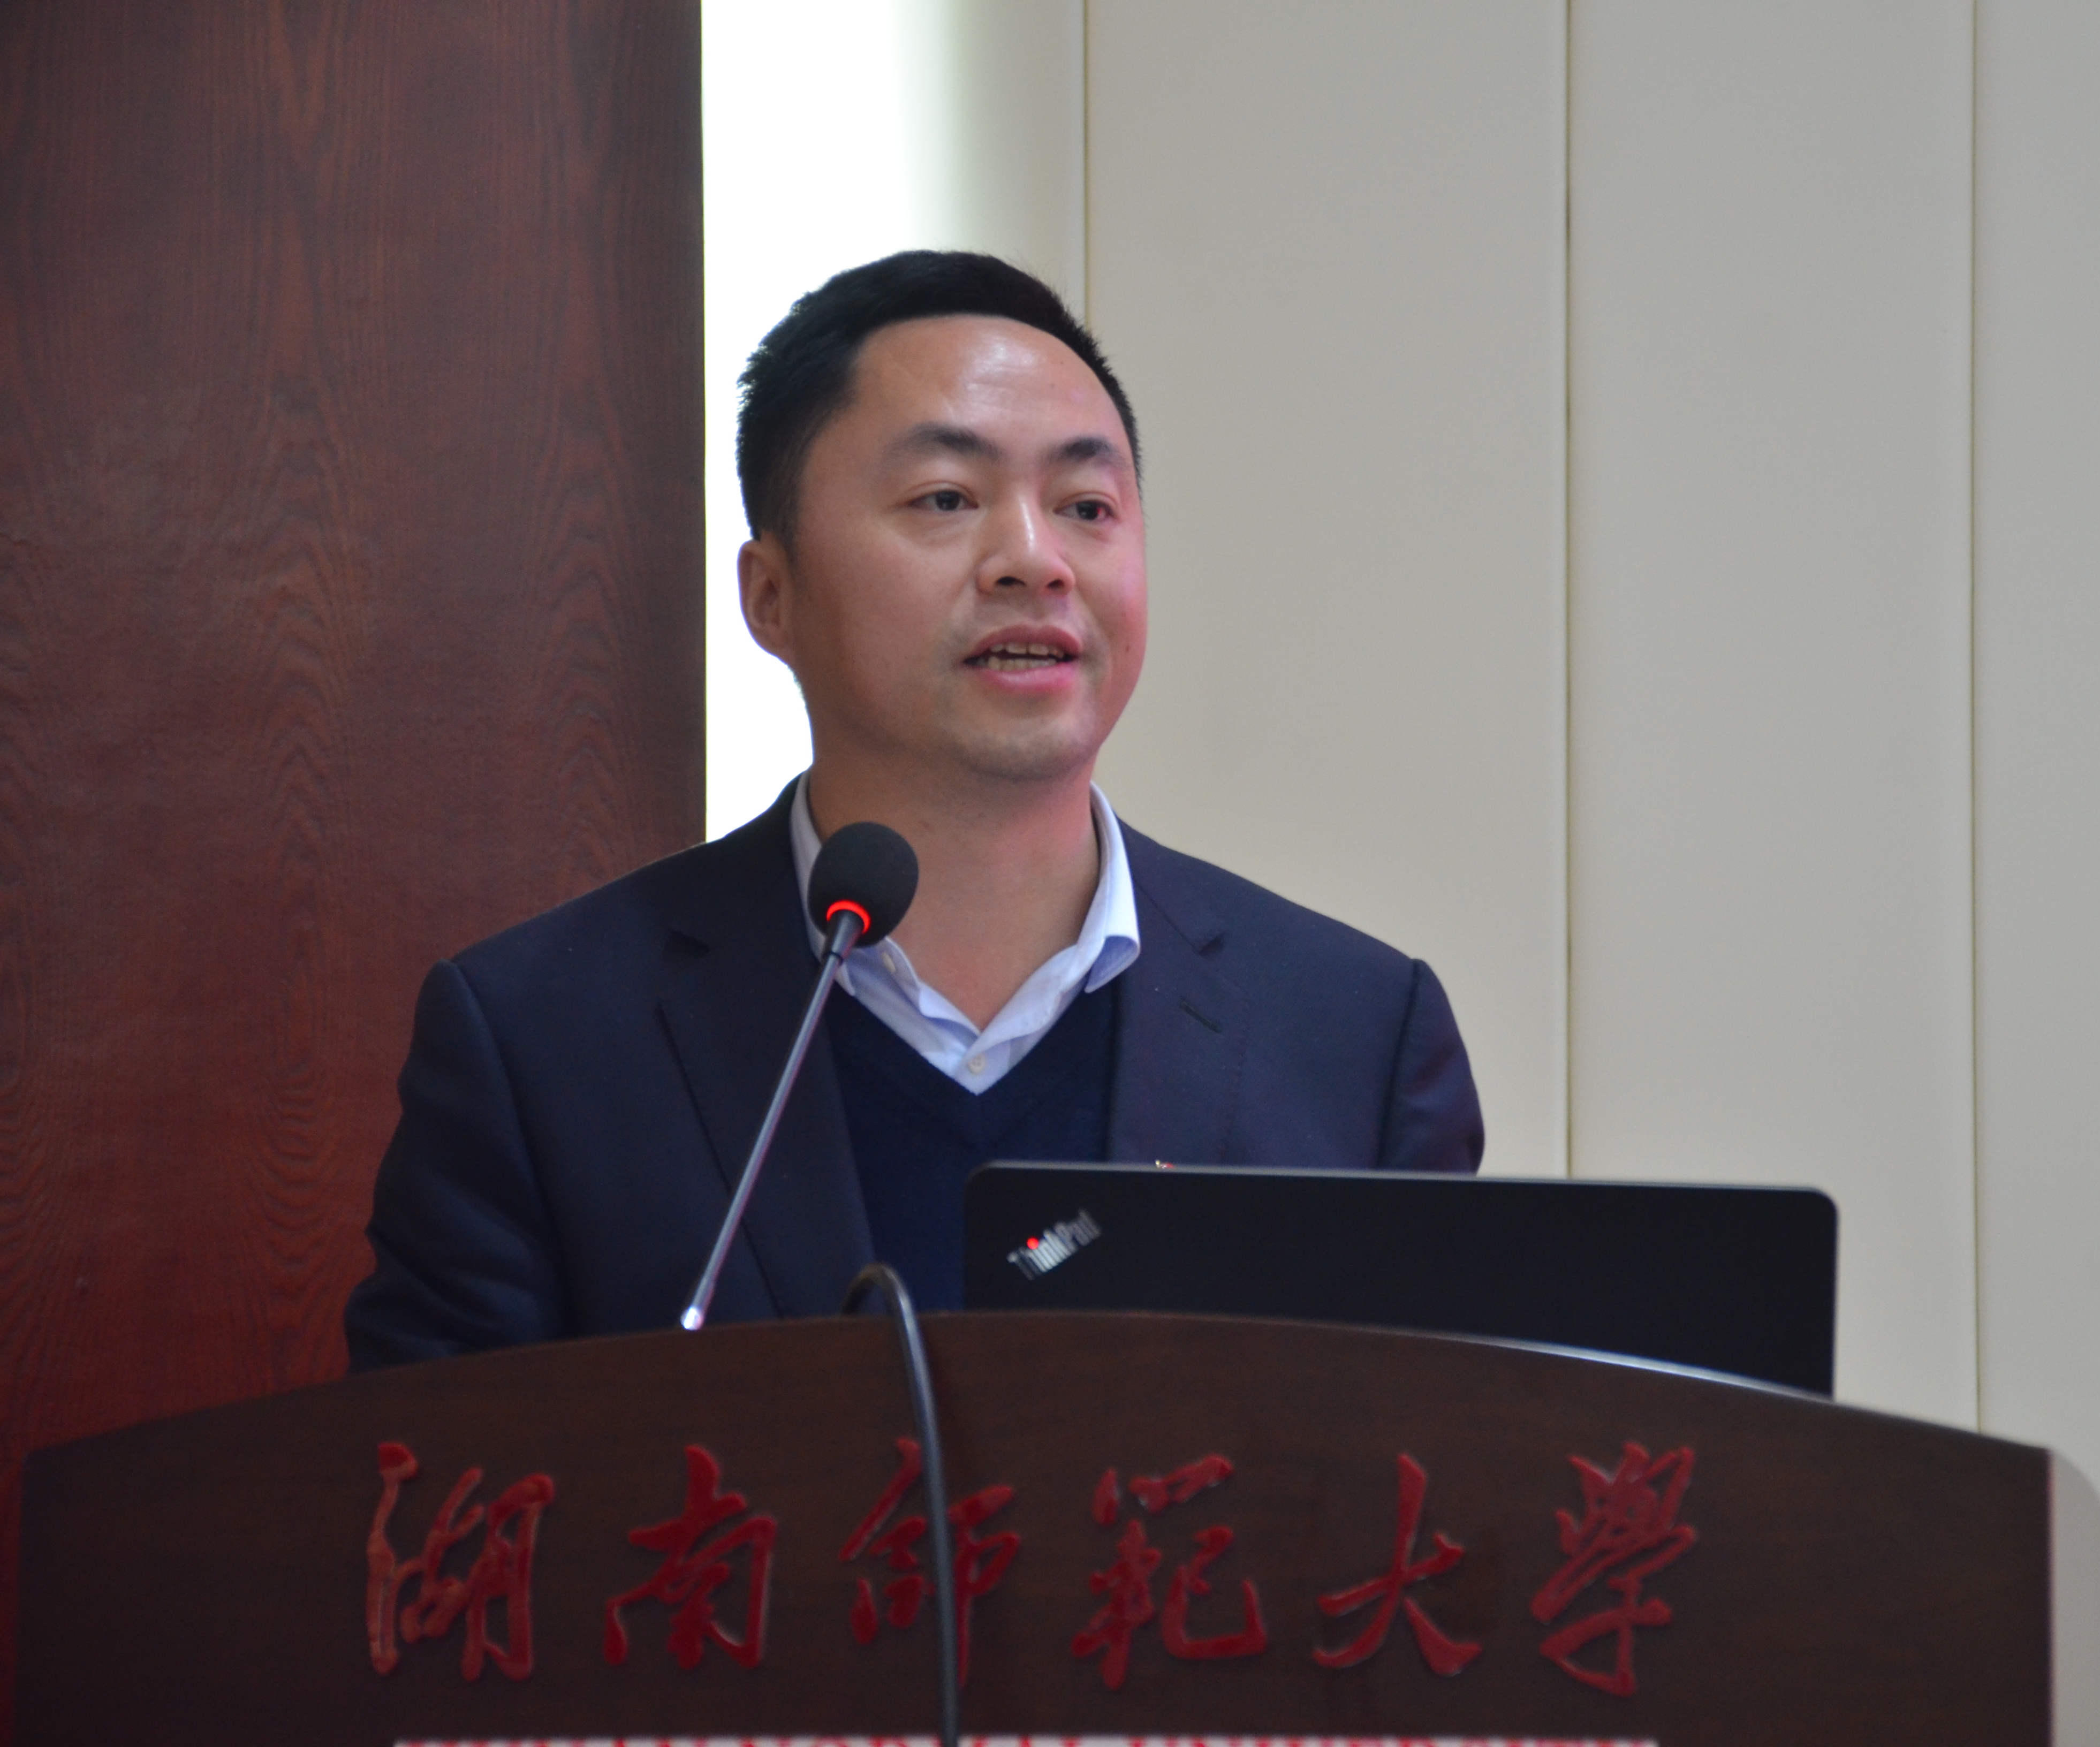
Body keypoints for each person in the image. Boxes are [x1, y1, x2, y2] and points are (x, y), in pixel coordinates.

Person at [344, 253, 1483, 1368]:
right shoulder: (542, 1041)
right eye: (946, 498)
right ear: (772, 596)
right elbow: (435, 1484)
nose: (1034, 561)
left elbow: (1450, 1465)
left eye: (1086, 506)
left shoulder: (1353, 1040)